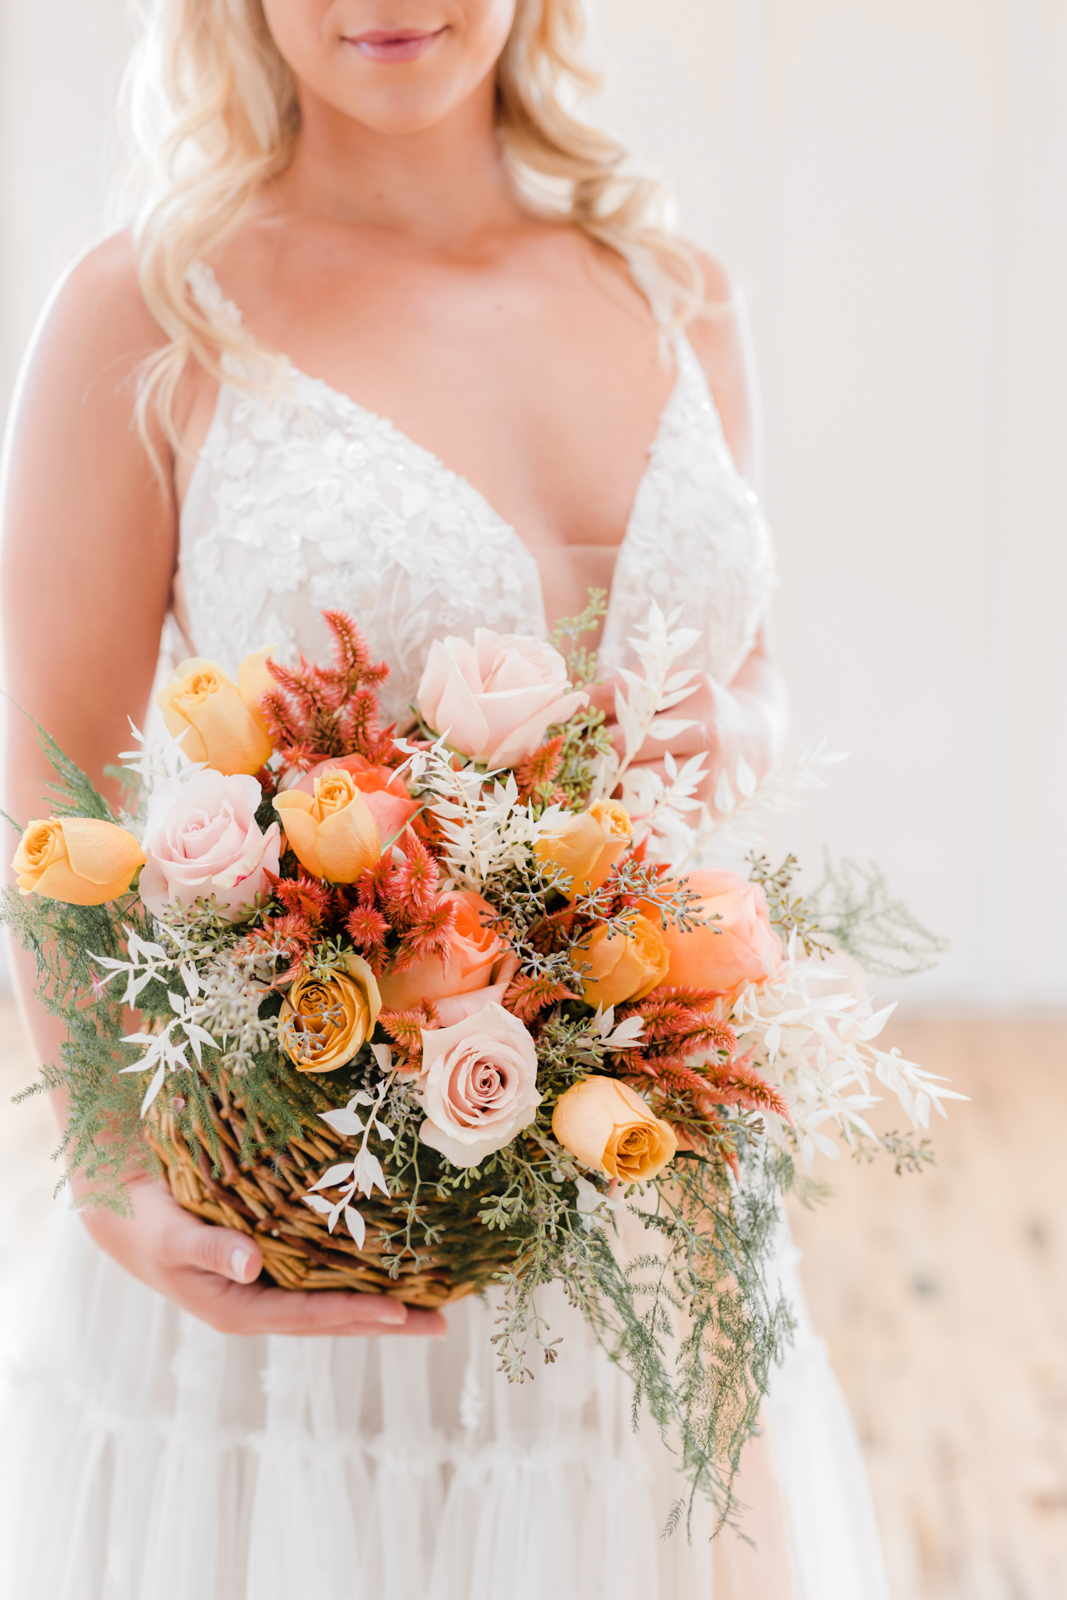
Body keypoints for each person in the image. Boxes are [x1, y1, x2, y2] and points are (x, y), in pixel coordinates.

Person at [0, 2, 890, 1595]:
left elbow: (749, 670)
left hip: (646, 1212)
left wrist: (723, 732)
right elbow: (45, 787)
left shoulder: (675, 289)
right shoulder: (149, 311)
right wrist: (114, 1174)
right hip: (318, 1219)